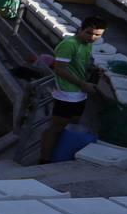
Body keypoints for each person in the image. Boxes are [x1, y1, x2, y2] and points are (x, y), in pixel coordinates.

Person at [39, 16, 107, 163]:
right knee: (56, 128)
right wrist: (84, 85)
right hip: (67, 94)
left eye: (97, 35)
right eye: (89, 33)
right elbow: (60, 70)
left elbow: (79, 65)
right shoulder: (69, 45)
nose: (92, 37)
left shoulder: (87, 44)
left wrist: (93, 70)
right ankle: (44, 159)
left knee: (71, 122)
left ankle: (58, 151)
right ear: (81, 29)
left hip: (79, 94)